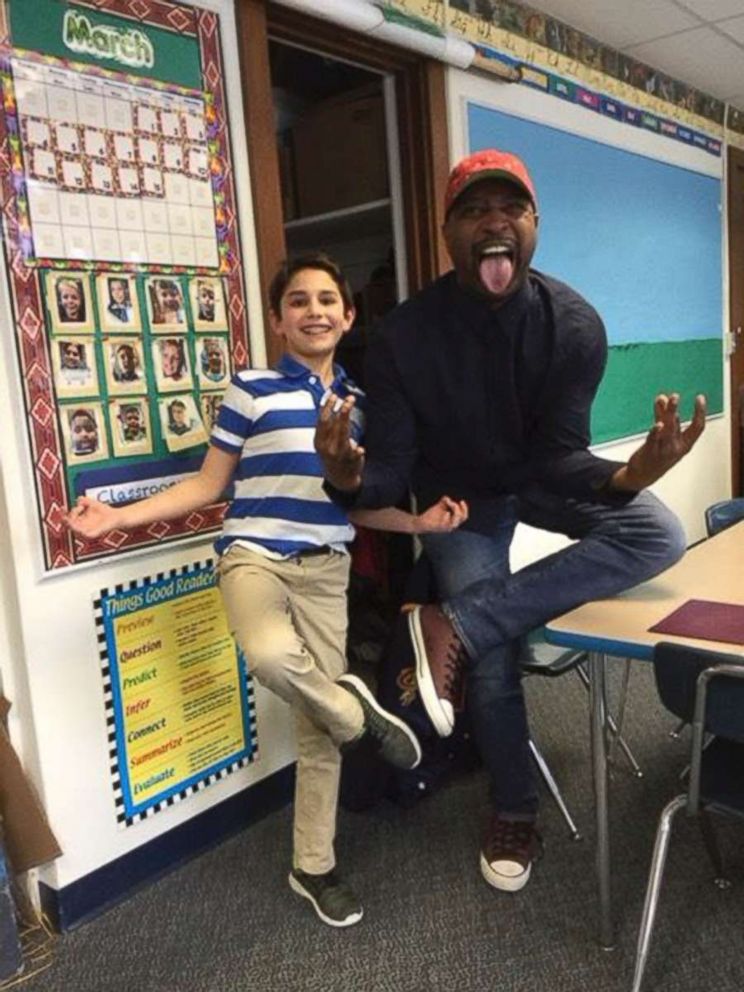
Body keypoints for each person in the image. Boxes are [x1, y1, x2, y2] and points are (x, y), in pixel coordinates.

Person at [315, 149, 707, 896]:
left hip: (538, 477)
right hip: (461, 502)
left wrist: (631, 477)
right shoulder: (404, 335)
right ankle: (515, 807)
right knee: (493, 656)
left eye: (511, 209)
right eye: (473, 211)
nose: (494, 222)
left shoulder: (574, 325)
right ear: (446, 232)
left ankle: (452, 623)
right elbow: (394, 469)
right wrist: (348, 473)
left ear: (533, 225)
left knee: (658, 530)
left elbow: (561, 456)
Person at [66, 253, 468, 929]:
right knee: (272, 658)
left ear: (347, 315)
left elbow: (355, 504)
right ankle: (358, 719)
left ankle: (313, 865)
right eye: (299, 301)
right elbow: (207, 484)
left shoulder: (361, 407)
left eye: (327, 300)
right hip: (254, 557)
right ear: (280, 321)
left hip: (327, 569)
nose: (315, 310)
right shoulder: (250, 389)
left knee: (314, 730)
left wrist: (418, 523)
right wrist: (117, 518)